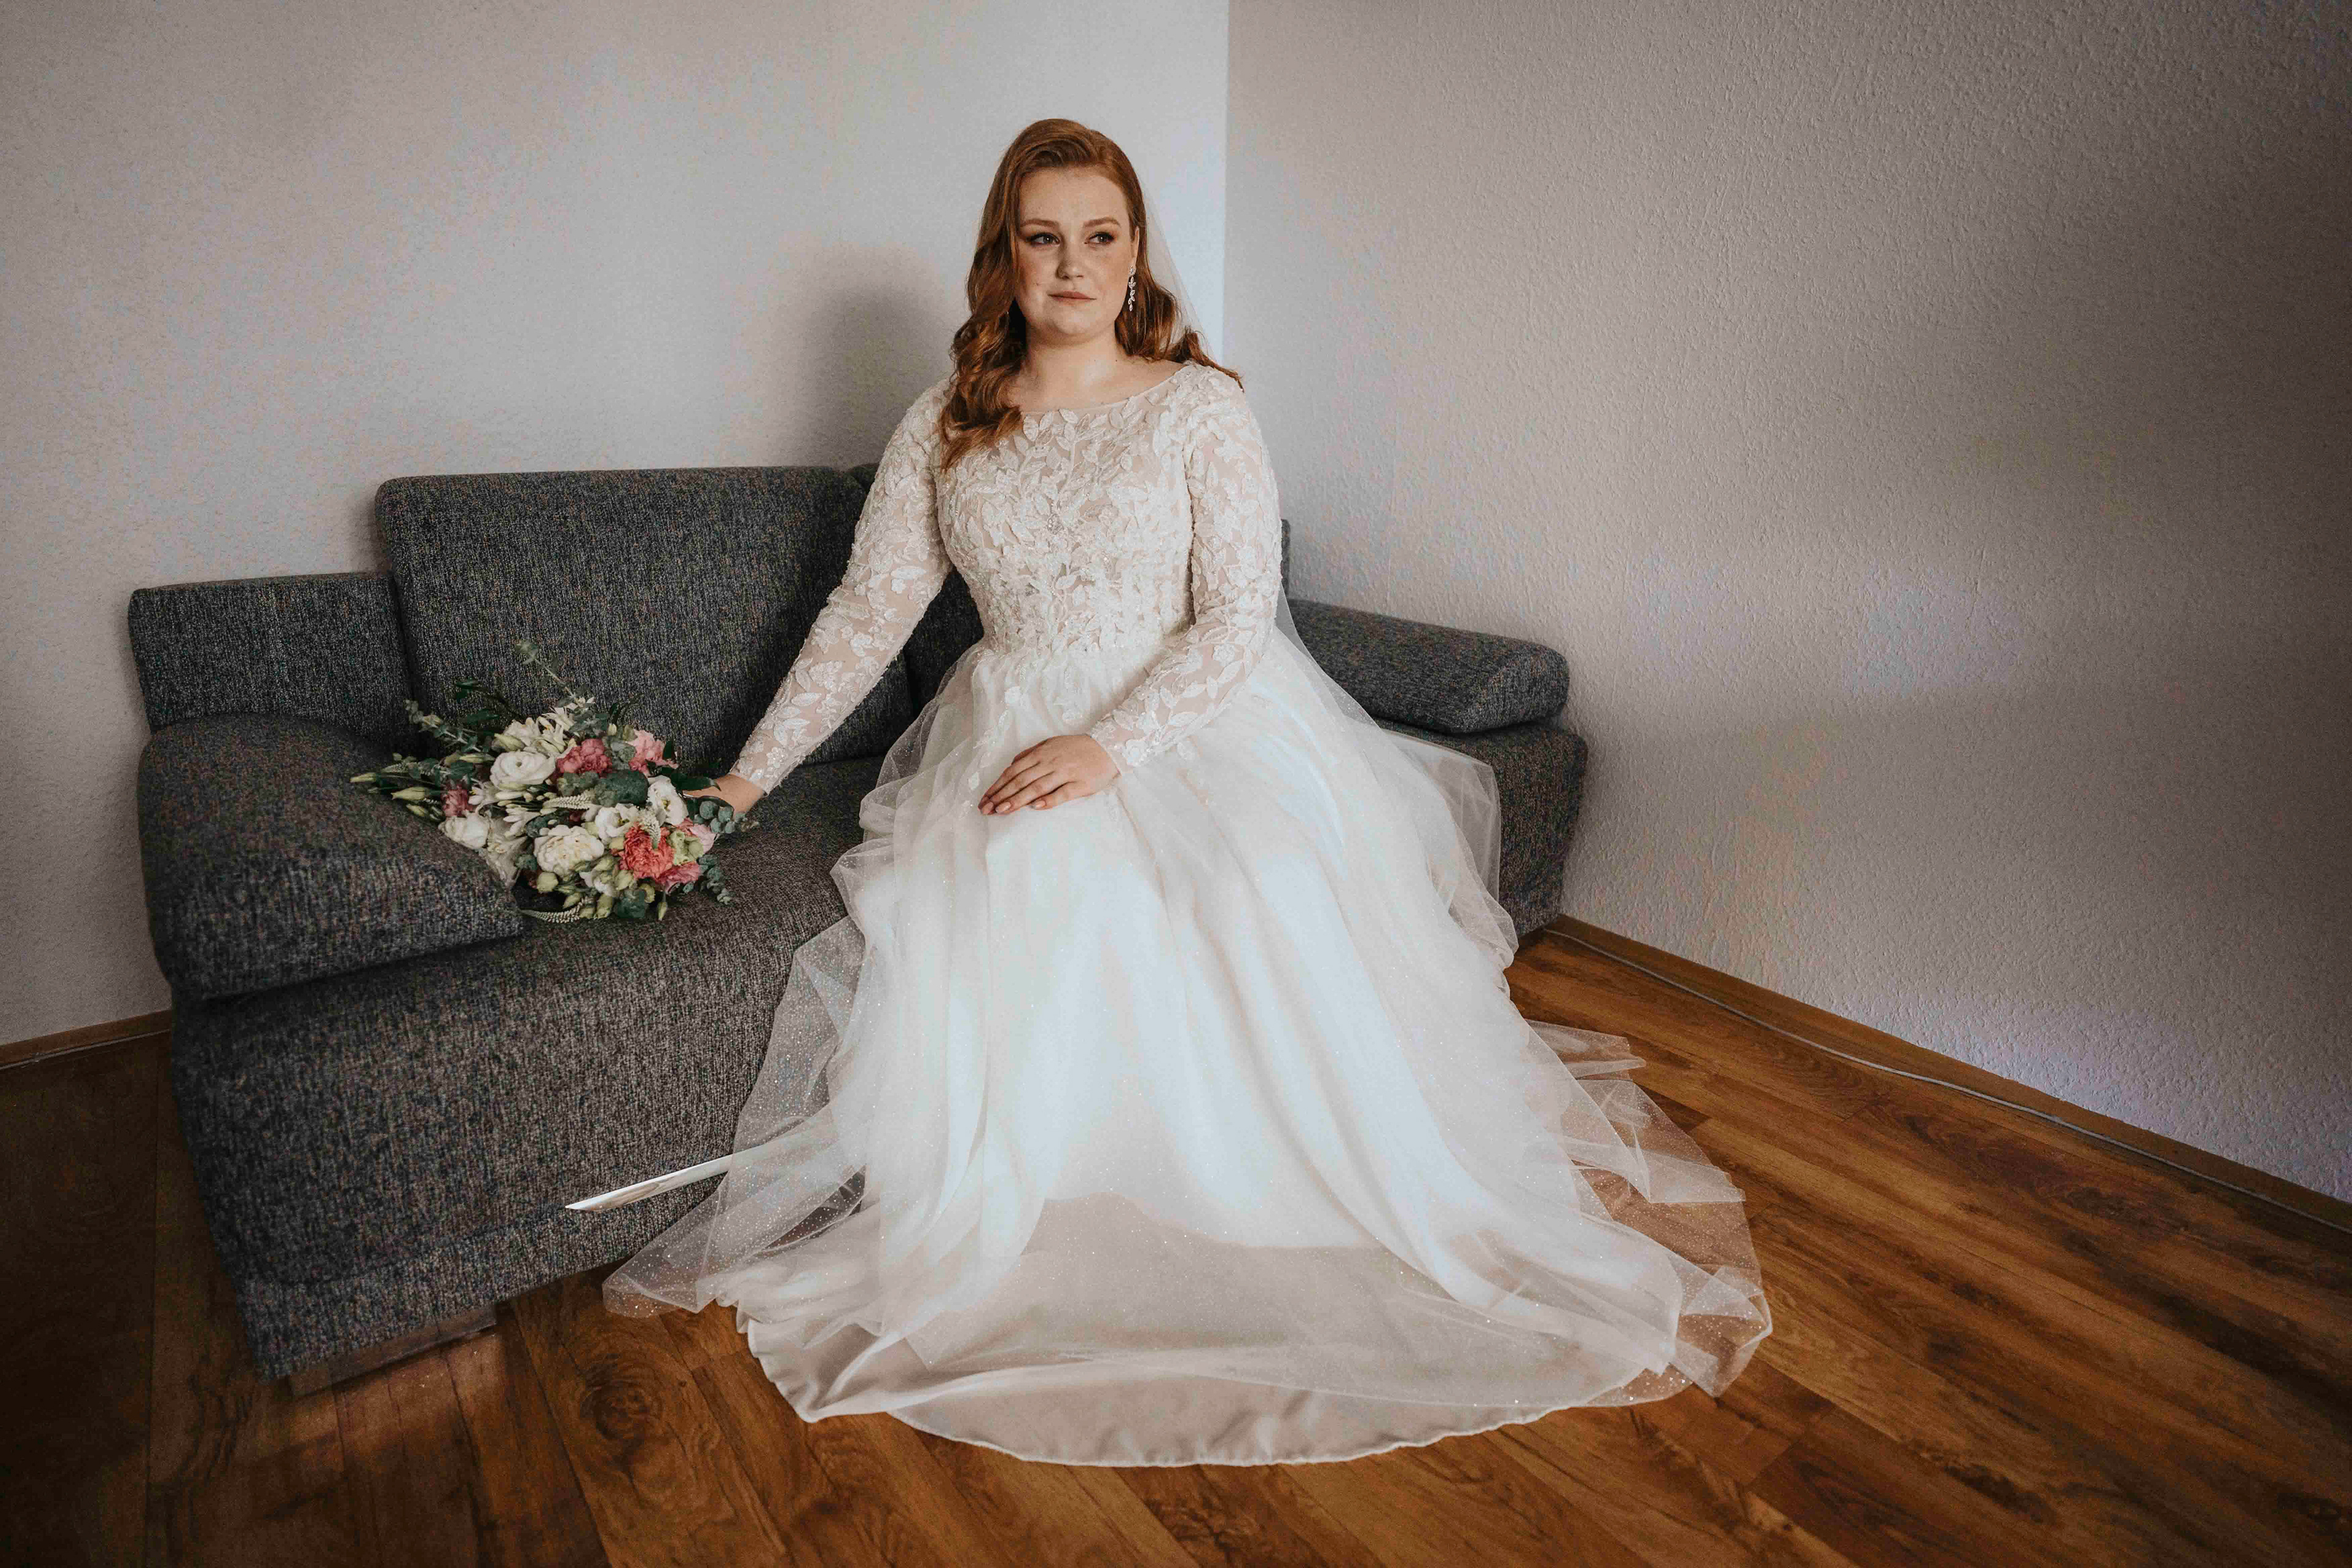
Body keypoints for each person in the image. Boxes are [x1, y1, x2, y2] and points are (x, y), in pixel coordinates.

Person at [603, 116, 1771, 1466]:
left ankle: (1272, 1174)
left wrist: (1113, 747)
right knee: (1008, 885)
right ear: (1003, 254)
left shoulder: (1198, 404)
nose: (1073, 264)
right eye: (1044, 237)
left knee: (1252, 882)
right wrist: (744, 778)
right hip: (1010, 718)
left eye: (1099, 236)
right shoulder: (945, 421)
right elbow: (867, 616)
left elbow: (1235, 619)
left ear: (1136, 249)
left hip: (1189, 717)